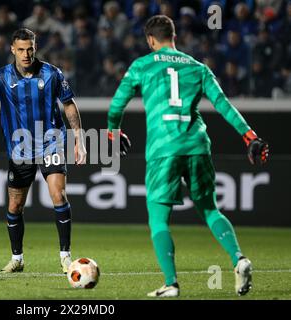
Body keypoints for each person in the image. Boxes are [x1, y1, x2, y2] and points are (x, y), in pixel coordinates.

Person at [107, 15, 269, 297]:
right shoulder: (197, 67)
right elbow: (223, 105)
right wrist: (250, 136)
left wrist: (113, 133)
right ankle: (239, 259)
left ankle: (171, 284)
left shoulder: (141, 66)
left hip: (163, 150)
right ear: (174, 37)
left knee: (158, 220)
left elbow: (116, 107)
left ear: (150, 40)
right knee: (209, 209)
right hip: (196, 145)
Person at [0, 28, 87, 274]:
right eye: (20, 50)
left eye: (30, 49)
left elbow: (69, 106)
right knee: (15, 206)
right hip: (20, 149)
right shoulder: (0, 78)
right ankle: (17, 258)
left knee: (58, 196)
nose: (26, 54)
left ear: (35, 48)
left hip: (52, 142)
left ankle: (65, 256)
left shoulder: (52, 74)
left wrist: (78, 139)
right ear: (12, 50)